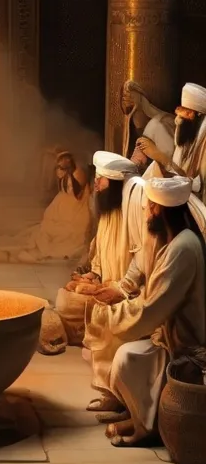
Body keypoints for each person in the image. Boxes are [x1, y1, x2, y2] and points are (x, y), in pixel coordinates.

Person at [89, 175, 206, 446]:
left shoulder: (184, 248)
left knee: (126, 358)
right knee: (118, 345)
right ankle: (140, 415)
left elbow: (152, 309)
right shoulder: (166, 237)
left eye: (148, 207)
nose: (144, 212)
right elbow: (140, 266)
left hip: (187, 350)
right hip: (165, 337)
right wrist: (117, 292)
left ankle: (146, 428)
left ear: (159, 210)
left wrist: (108, 316)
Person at [54, 152, 139, 352]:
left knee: (70, 308)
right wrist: (92, 275)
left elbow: (142, 262)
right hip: (105, 288)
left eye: (101, 180)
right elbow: (99, 254)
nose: (97, 184)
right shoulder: (107, 213)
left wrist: (120, 288)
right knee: (64, 299)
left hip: (127, 295)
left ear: (115, 183)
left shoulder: (134, 213)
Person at [14, 149, 92, 264]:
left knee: (61, 234)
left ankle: (45, 250)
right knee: (43, 229)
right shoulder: (64, 180)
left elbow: (78, 194)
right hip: (65, 208)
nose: (58, 168)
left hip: (76, 212)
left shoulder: (77, 173)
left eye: (61, 165)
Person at [138, 83, 206, 199]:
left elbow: (194, 185)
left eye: (184, 114)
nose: (178, 119)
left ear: (197, 115)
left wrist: (161, 157)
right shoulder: (188, 136)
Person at [121, 80, 175, 170]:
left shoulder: (158, 125)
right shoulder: (132, 123)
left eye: (129, 95)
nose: (125, 98)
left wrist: (156, 153)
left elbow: (172, 167)